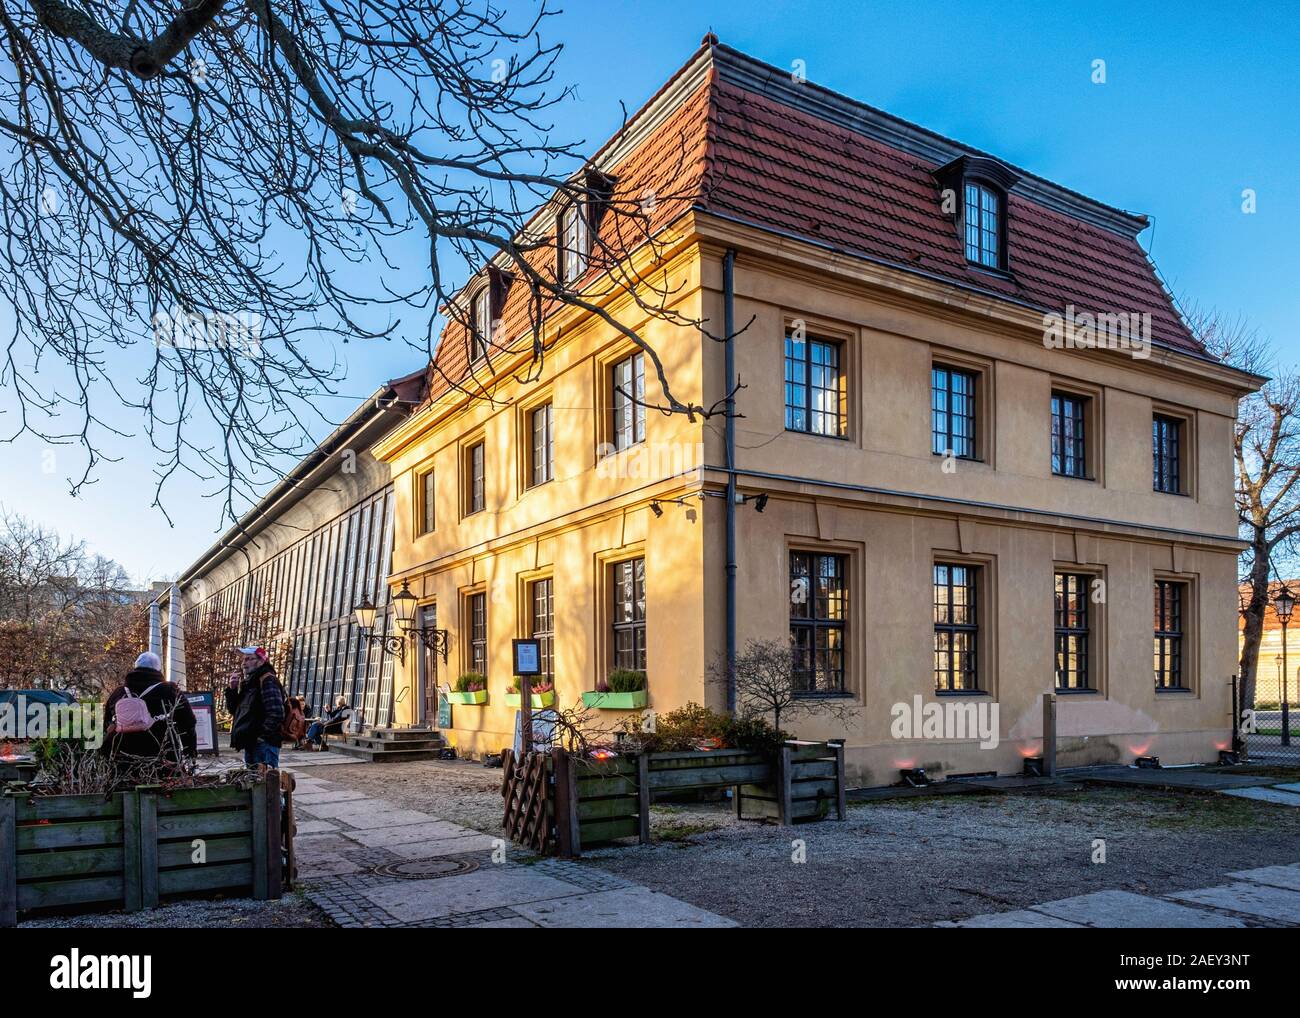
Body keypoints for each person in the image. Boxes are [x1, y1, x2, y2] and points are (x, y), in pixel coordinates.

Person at [103, 652, 198, 776]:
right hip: (163, 758)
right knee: (167, 790)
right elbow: (188, 723)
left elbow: (107, 724)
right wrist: (190, 753)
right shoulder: (169, 690)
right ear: (158, 670)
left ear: (135, 668)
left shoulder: (118, 693)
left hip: (123, 759)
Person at [224, 646, 285, 769]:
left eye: (249, 659)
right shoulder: (250, 682)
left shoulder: (267, 680)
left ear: (261, 661)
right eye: (244, 660)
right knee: (254, 783)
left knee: (265, 784)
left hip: (264, 744)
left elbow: (276, 713)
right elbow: (235, 711)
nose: (244, 663)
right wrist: (232, 689)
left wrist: (261, 736)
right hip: (252, 743)